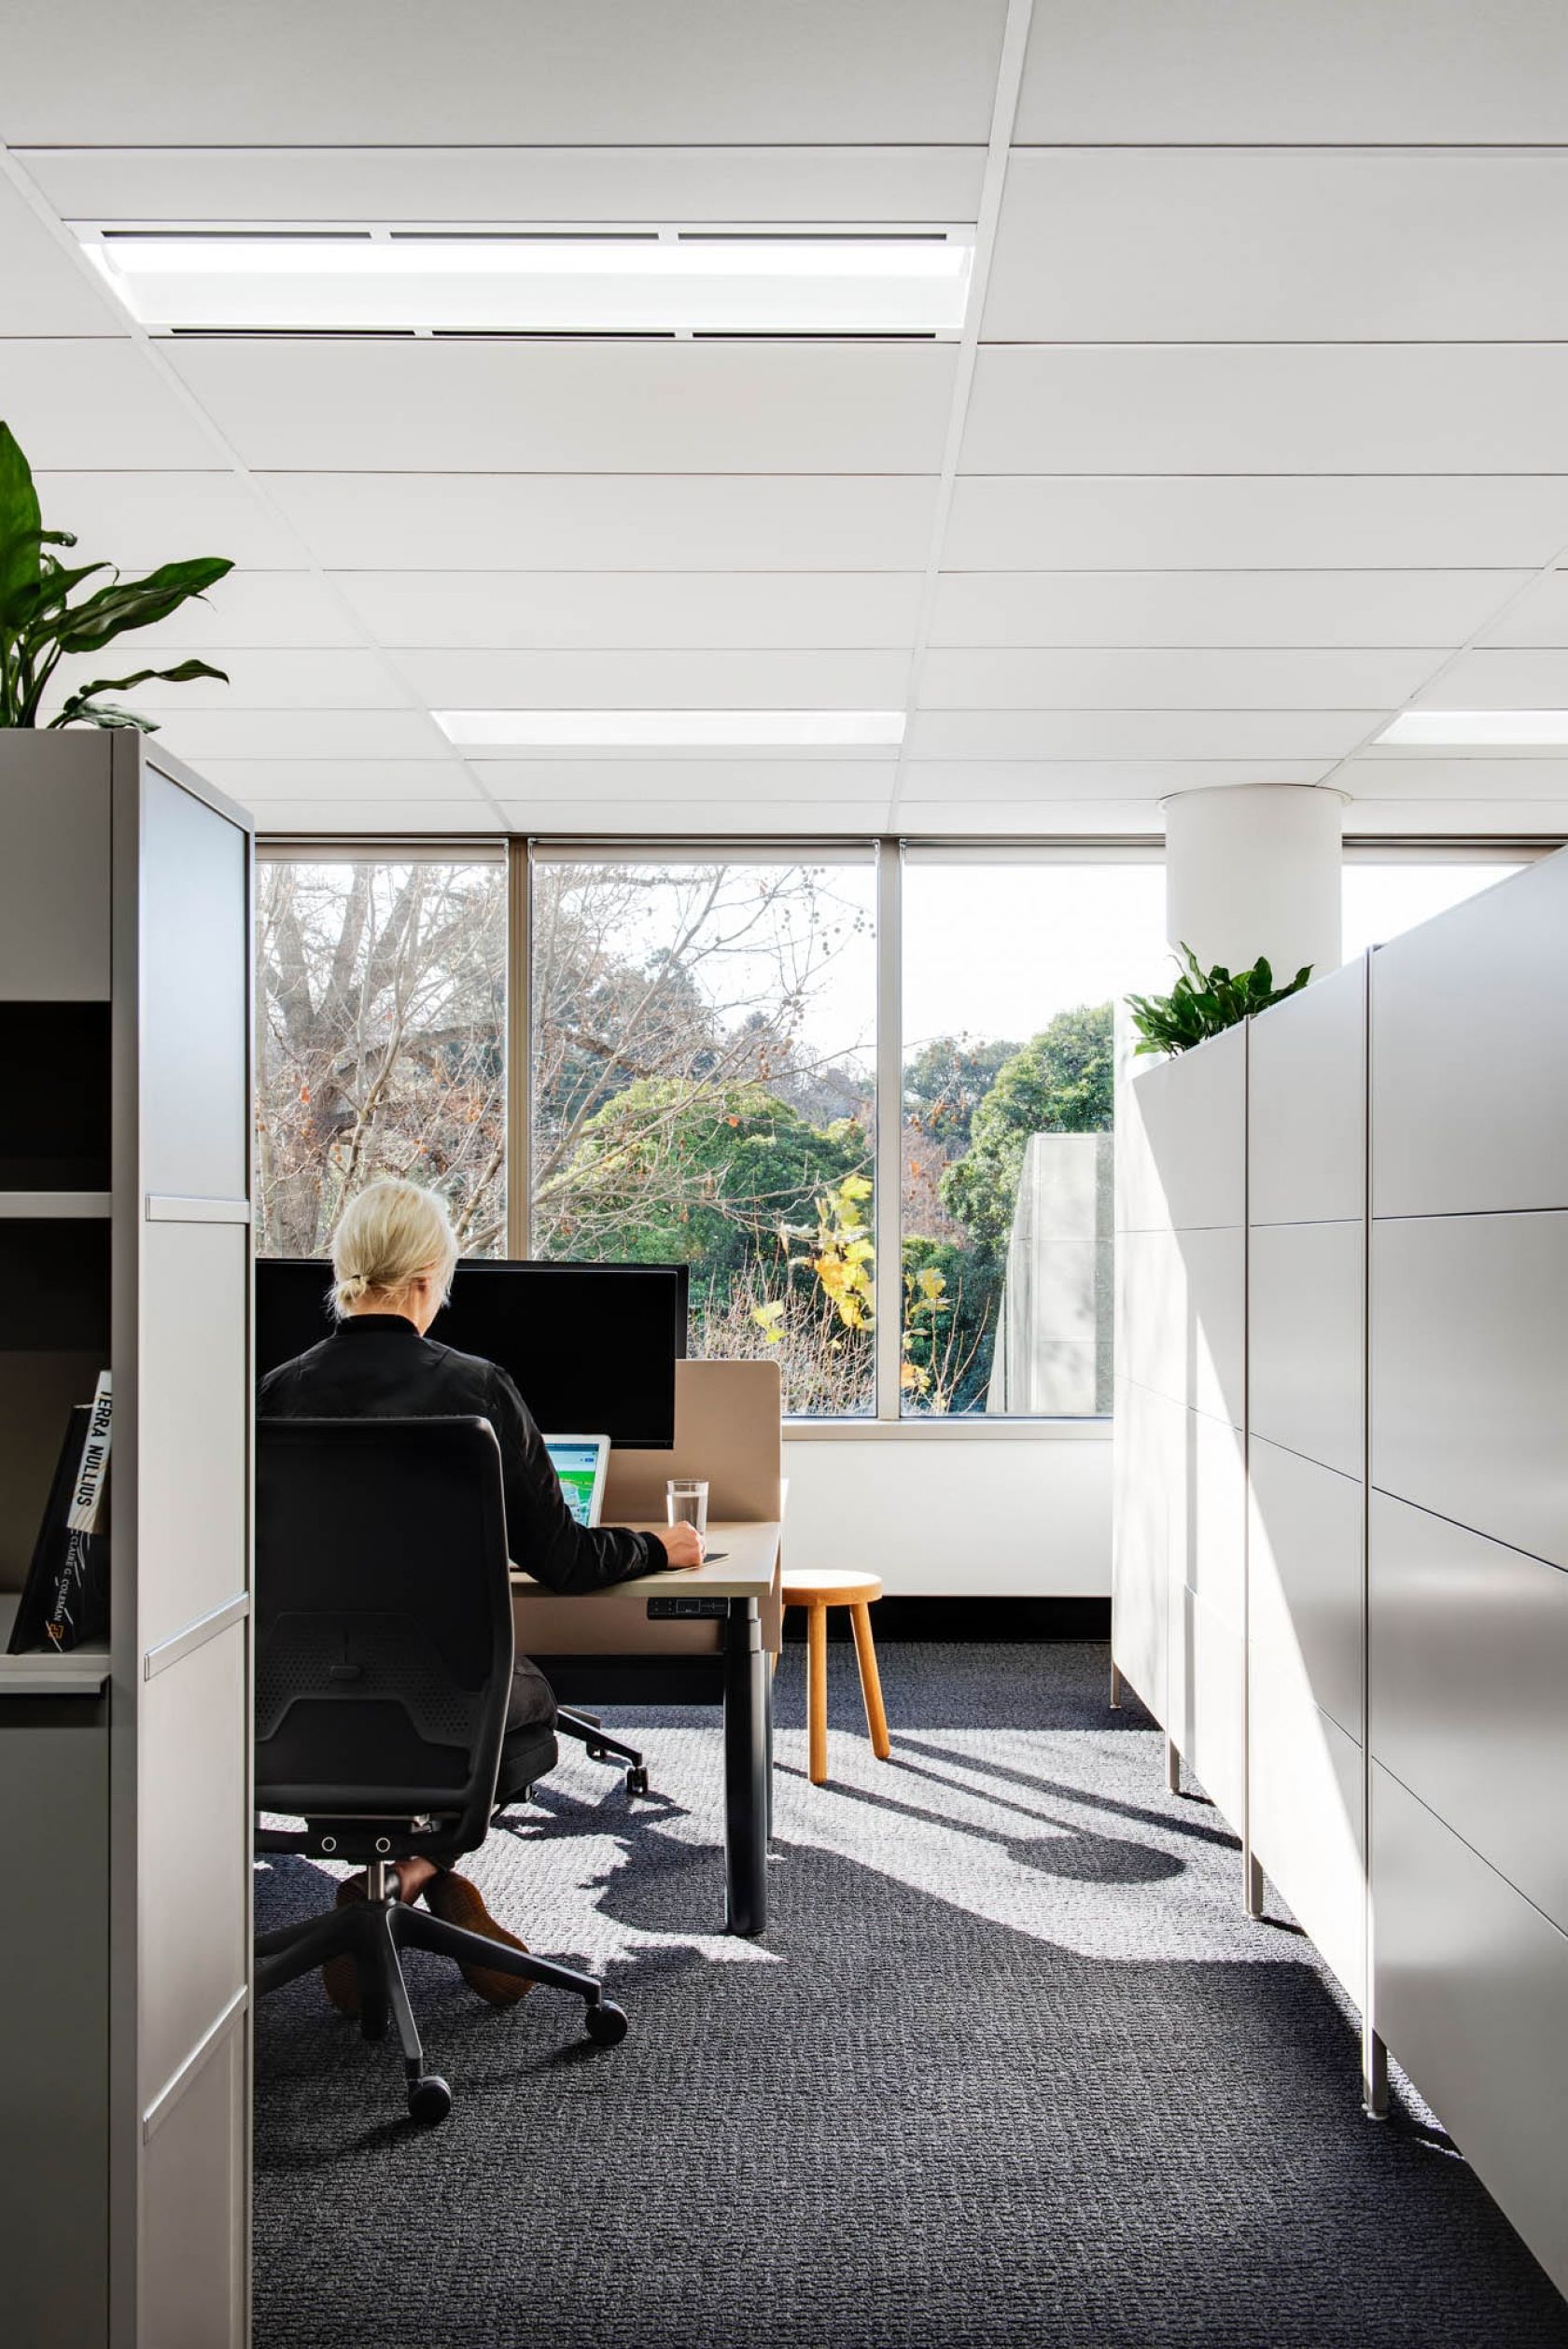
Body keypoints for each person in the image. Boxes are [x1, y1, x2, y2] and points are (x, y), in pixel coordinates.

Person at [258, 1176, 703, 2010]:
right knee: (528, 1697)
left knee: (441, 1705)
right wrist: (659, 1543)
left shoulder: (274, 1395)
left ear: (346, 1272)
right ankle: (414, 1872)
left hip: (290, 1702)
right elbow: (565, 1559)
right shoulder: (478, 1391)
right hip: (446, 1701)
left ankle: (388, 1888)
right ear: (429, 1278)